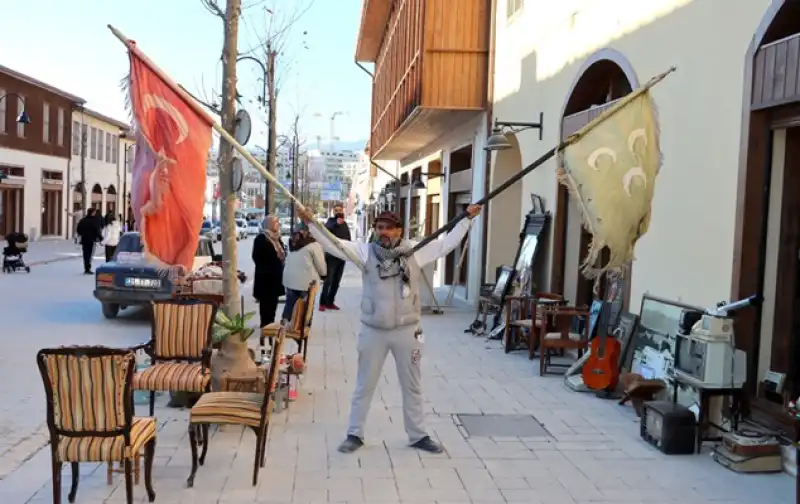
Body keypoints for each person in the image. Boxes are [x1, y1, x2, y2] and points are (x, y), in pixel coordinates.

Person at [300, 205, 481, 454]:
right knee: (365, 384)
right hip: (373, 330)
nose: (383, 232)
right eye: (379, 227)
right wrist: (311, 224)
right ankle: (355, 433)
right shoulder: (365, 253)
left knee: (412, 385)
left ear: (399, 231)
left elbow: (446, 245)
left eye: (388, 228)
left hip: (408, 331)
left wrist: (466, 220)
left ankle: (418, 435)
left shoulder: (415, 251)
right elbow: (335, 244)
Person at [281, 224, 326, 324]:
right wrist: (324, 274)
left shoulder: (291, 242)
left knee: (290, 302)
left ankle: (285, 321)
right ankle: (304, 325)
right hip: (306, 281)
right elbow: (320, 264)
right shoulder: (314, 245)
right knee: (307, 304)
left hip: (289, 279)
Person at [252, 215, 286, 327]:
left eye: (278, 222)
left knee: (273, 302)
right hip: (265, 278)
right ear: (269, 224)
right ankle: (264, 324)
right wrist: (273, 258)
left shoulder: (277, 238)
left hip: (275, 277)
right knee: (265, 303)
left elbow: (282, 253)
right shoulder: (261, 238)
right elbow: (256, 257)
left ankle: (270, 323)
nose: (278, 224)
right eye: (275, 222)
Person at [319, 204, 351, 311]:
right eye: (336, 210)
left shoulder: (345, 224)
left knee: (337, 281)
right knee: (328, 280)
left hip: (341, 257)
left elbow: (348, 238)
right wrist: (336, 224)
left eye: (340, 210)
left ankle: (330, 302)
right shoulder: (331, 221)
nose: (338, 212)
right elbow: (326, 230)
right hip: (331, 256)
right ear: (333, 212)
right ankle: (322, 303)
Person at [76, 208, 102, 274]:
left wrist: (82, 234)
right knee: (90, 254)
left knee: (85, 254)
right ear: (92, 213)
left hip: (84, 239)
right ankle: (88, 268)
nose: (95, 213)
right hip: (91, 239)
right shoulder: (94, 221)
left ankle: (86, 267)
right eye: (94, 212)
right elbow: (97, 230)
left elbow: (78, 229)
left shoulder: (83, 220)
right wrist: (100, 238)